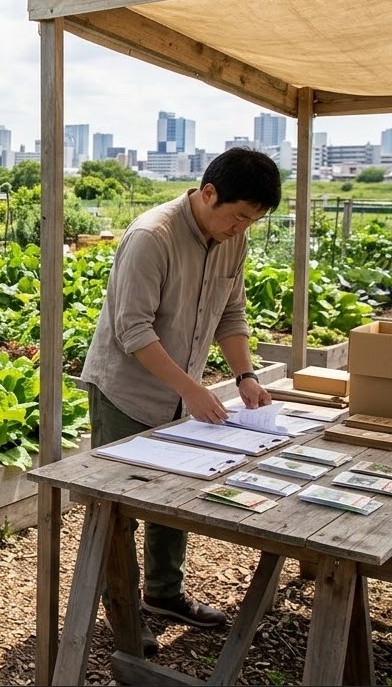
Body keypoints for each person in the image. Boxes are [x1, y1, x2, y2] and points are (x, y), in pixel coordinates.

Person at [80, 147, 281, 656]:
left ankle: (164, 593)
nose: (242, 228)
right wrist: (191, 389)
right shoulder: (153, 236)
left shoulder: (232, 240)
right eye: (239, 216)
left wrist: (245, 375)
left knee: (172, 493)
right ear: (208, 193)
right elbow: (133, 330)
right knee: (119, 508)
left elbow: (231, 313)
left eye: (252, 220)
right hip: (127, 391)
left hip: (179, 388)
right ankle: (122, 611)